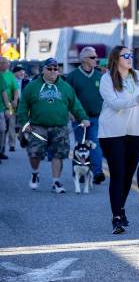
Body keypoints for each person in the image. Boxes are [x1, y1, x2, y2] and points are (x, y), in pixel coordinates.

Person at [98, 46, 139, 234]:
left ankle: (121, 209)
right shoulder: (107, 78)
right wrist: (136, 100)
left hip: (136, 131)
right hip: (112, 133)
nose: (131, 58)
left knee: (128, 175)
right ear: (116, 58)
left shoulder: (137, 76)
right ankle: (116, 218)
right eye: (126, 55)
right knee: (118, 175)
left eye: (132, 55)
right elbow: (114, 104)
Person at [16, 58, 90, 193]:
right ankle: (35, 173)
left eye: (55, 69)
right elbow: (23, 106)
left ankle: (56, 181)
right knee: (34, 153)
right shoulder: (32, 87)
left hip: (59, 126)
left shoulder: (65, 87)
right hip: (37, 126)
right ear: (43, 70)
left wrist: (83, 117)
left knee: (59, 154)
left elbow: (75, 104)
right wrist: (24, 123)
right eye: (49, 69)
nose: (53, 71)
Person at [66, 47, 105, 184]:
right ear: (83, 59)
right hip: (79, 118)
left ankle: (97, 172)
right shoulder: (72, 76)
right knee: (80, 145)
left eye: (96, 57)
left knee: (94, 144)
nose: (96, 59)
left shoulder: (99, 76)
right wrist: (70, 113)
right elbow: (67, 97)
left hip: (95, 117)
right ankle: (80, 172)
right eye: (93, 57)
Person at [0, 56, 19, 155]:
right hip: (2, 104)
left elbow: (16, 89)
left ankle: (12, 144)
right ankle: (2, 148)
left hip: (9, 103)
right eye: (5, 63)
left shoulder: (10, 75)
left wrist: (15, 100)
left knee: (11, 123)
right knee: (2, 128)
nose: (7, 65)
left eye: (7, 63)